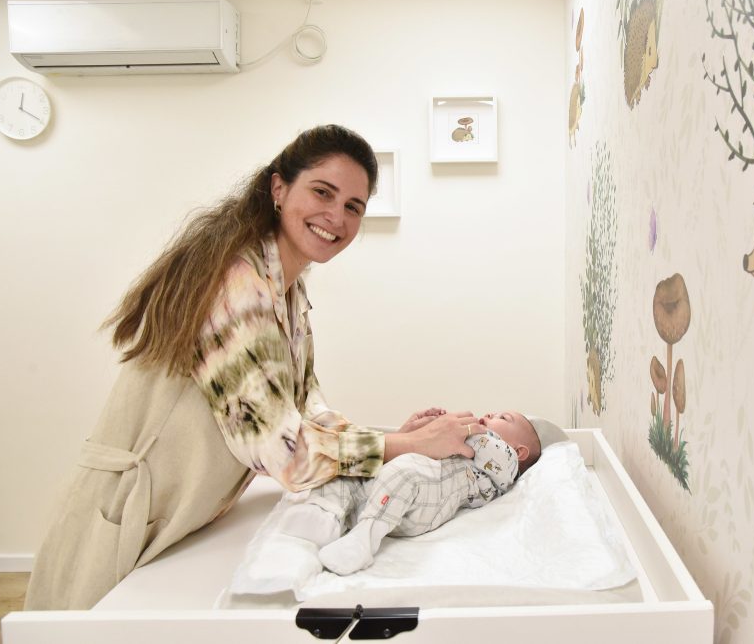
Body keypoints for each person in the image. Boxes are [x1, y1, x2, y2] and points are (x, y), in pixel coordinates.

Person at [24, 125, 481, 610]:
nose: (337, 217)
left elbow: (306, 407)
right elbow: (285, 453)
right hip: (124, 515)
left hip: (181, 515)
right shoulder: (234, 282)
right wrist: (404, 446)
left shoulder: (288, 287)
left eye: (354, 206)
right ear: (279, 189)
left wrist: (392, 442)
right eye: (323, 192)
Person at [278, 410, 561, 575]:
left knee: (405, 469)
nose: (488, 414)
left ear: (519, 450)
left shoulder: (505, 463)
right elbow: (430, 444)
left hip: (421, 499)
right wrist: (412, 434)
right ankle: (326, 514)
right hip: (393, 490)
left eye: (503, 417)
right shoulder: (477, 444)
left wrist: (445, 427)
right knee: (350, 467)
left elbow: (476, 444)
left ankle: (364, 539)